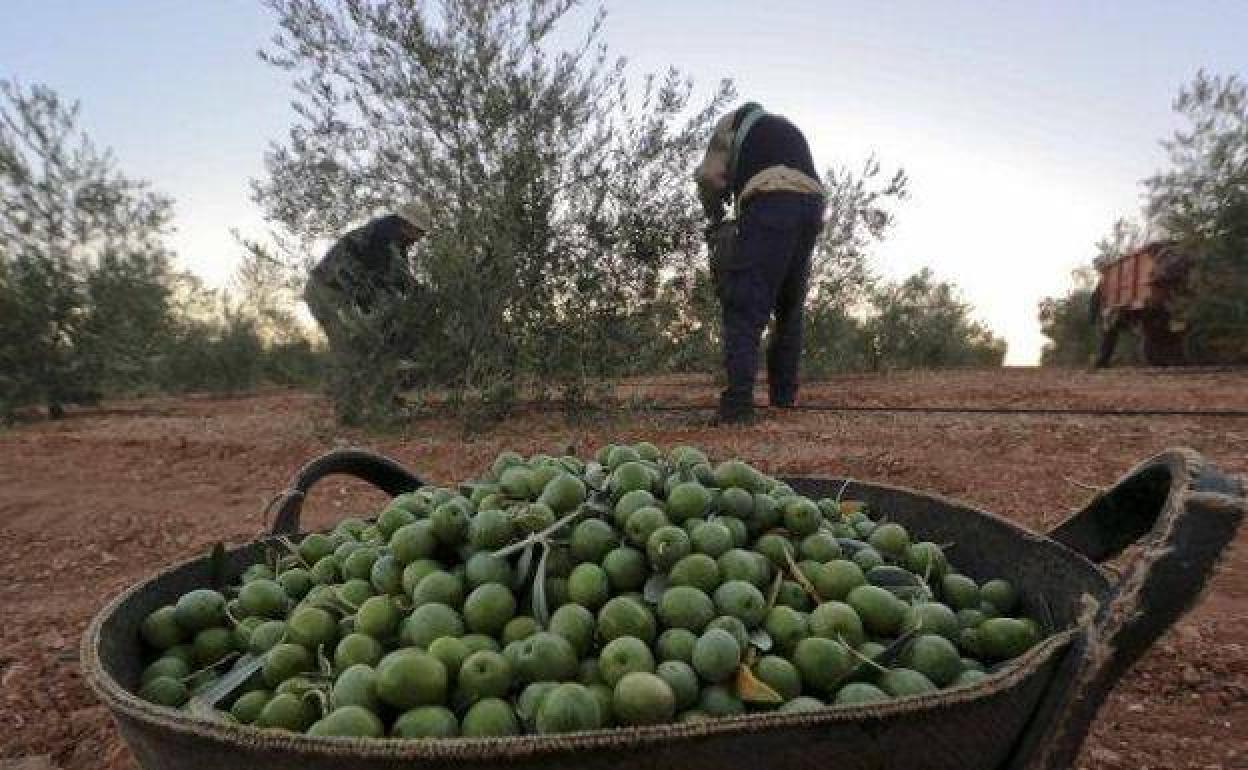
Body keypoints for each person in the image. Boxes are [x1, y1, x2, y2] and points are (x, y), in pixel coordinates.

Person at [695, 102, 826, 423]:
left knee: (744, 303)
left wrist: (714, 216)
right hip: (812, 205)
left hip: (770, 198)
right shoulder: (785, 127)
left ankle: (738, 405)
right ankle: (783, 398)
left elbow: (710, 176)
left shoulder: (730, 123)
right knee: (789, 305)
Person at [304, 203, 430, 356]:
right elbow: (392, 279)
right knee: (349, 348)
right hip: (325, 292)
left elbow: (401, 278)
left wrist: (418, 291)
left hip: (335, 295)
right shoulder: (380, 238)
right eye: (419, 232)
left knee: (361, 344)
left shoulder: (391, 242)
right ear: (406, 225)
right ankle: (344, 378)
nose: (419, 238)